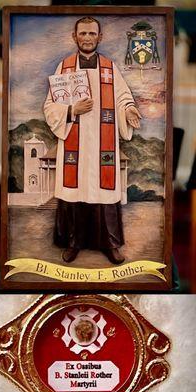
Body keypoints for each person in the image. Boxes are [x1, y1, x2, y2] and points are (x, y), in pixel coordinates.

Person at [44, 16, 141, 265]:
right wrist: (71, 111)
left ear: (100, 37)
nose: (87, 38)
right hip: (75, 140)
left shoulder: (110, 68)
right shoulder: (64, 67)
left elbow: (122, 97)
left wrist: (128, 110)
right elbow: (50, 105)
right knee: (75, 191)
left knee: (103, 190)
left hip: (102, 140)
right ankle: (74, 242)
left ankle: (110, 245)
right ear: (75, 37)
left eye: (92, 33)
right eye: (83, 34)